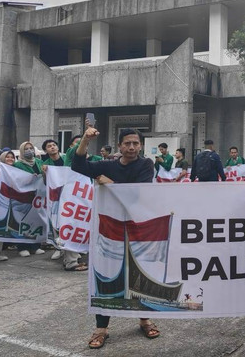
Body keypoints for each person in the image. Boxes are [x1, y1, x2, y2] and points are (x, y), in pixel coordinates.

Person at [71, 126, 158, 349]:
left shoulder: (146, 164)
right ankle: (101, 328)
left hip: (138, 229)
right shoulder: (107, 165)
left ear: (140, 146)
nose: (131, 147)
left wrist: (108, 183)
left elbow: (138, 193)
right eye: (127, 143)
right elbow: (78, 165)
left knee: (140, 274)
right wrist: (85, 140)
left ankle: (145, 320)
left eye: (135, 143)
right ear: (119, 146)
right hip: (109, 231)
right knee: (105, 275)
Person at [14, 142, 47, 257]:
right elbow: (16, 179)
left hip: (38, 197)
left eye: (31, 148)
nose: (29, 151)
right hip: (25, 197)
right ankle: (22, 246)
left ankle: (35, 246)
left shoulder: (38, 162)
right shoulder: (17, 165)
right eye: (26, 149)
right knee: (24, 221)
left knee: (36, 221)